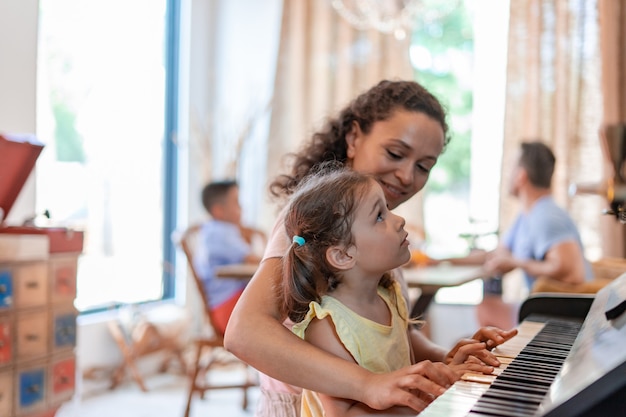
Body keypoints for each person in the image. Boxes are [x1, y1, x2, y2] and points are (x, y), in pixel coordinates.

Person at [224, 80, 517, 416]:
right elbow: (244, 333)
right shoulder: (314, 224)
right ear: (353, 138)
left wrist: (444, 359)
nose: (407, 176)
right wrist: (367, 384)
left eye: (424, 166)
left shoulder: (375, 238)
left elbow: (389, 333)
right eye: (395, 153)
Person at [283, 165, 504, 416]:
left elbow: (401, 353)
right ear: (343, 254)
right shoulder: (327, 326)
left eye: (387, 210)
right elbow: (344, 413)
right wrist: (429, 391)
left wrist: (446, 361)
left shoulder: (388, 294)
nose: (399, 220)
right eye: (379, 216)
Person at [441, 141, 593, 329]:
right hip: (546, 309)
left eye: (511, 168)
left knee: (486, 309)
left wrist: (517, 262)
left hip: (565, 315)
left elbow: (572, 273)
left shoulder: (546, 215)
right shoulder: (526, 215)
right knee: (486, 307)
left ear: (521, 175)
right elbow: (498, 255)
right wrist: (440, 260)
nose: (507, 175)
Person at [194, 179, 263, 335]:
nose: (242, 208)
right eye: (237, 203)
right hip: (227, 309)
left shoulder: (215, 229)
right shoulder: (220, 232)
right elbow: (253, 258)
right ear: (218, 210)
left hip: (229, 304)